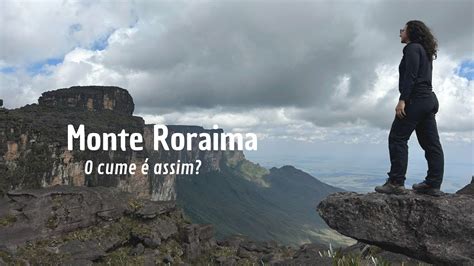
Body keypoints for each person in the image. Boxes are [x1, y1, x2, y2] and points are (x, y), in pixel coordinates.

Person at [375, 20, 444, 197]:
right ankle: (433, 184)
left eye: (403, 30)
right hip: (428, 100)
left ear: (411, 32)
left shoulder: (412, 48)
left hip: (415, 100)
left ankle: (396, 183)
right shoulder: (425, 50)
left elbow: (411, 76)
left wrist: (403, 100)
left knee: (397, 138)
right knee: (431, 144)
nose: (400, 33)